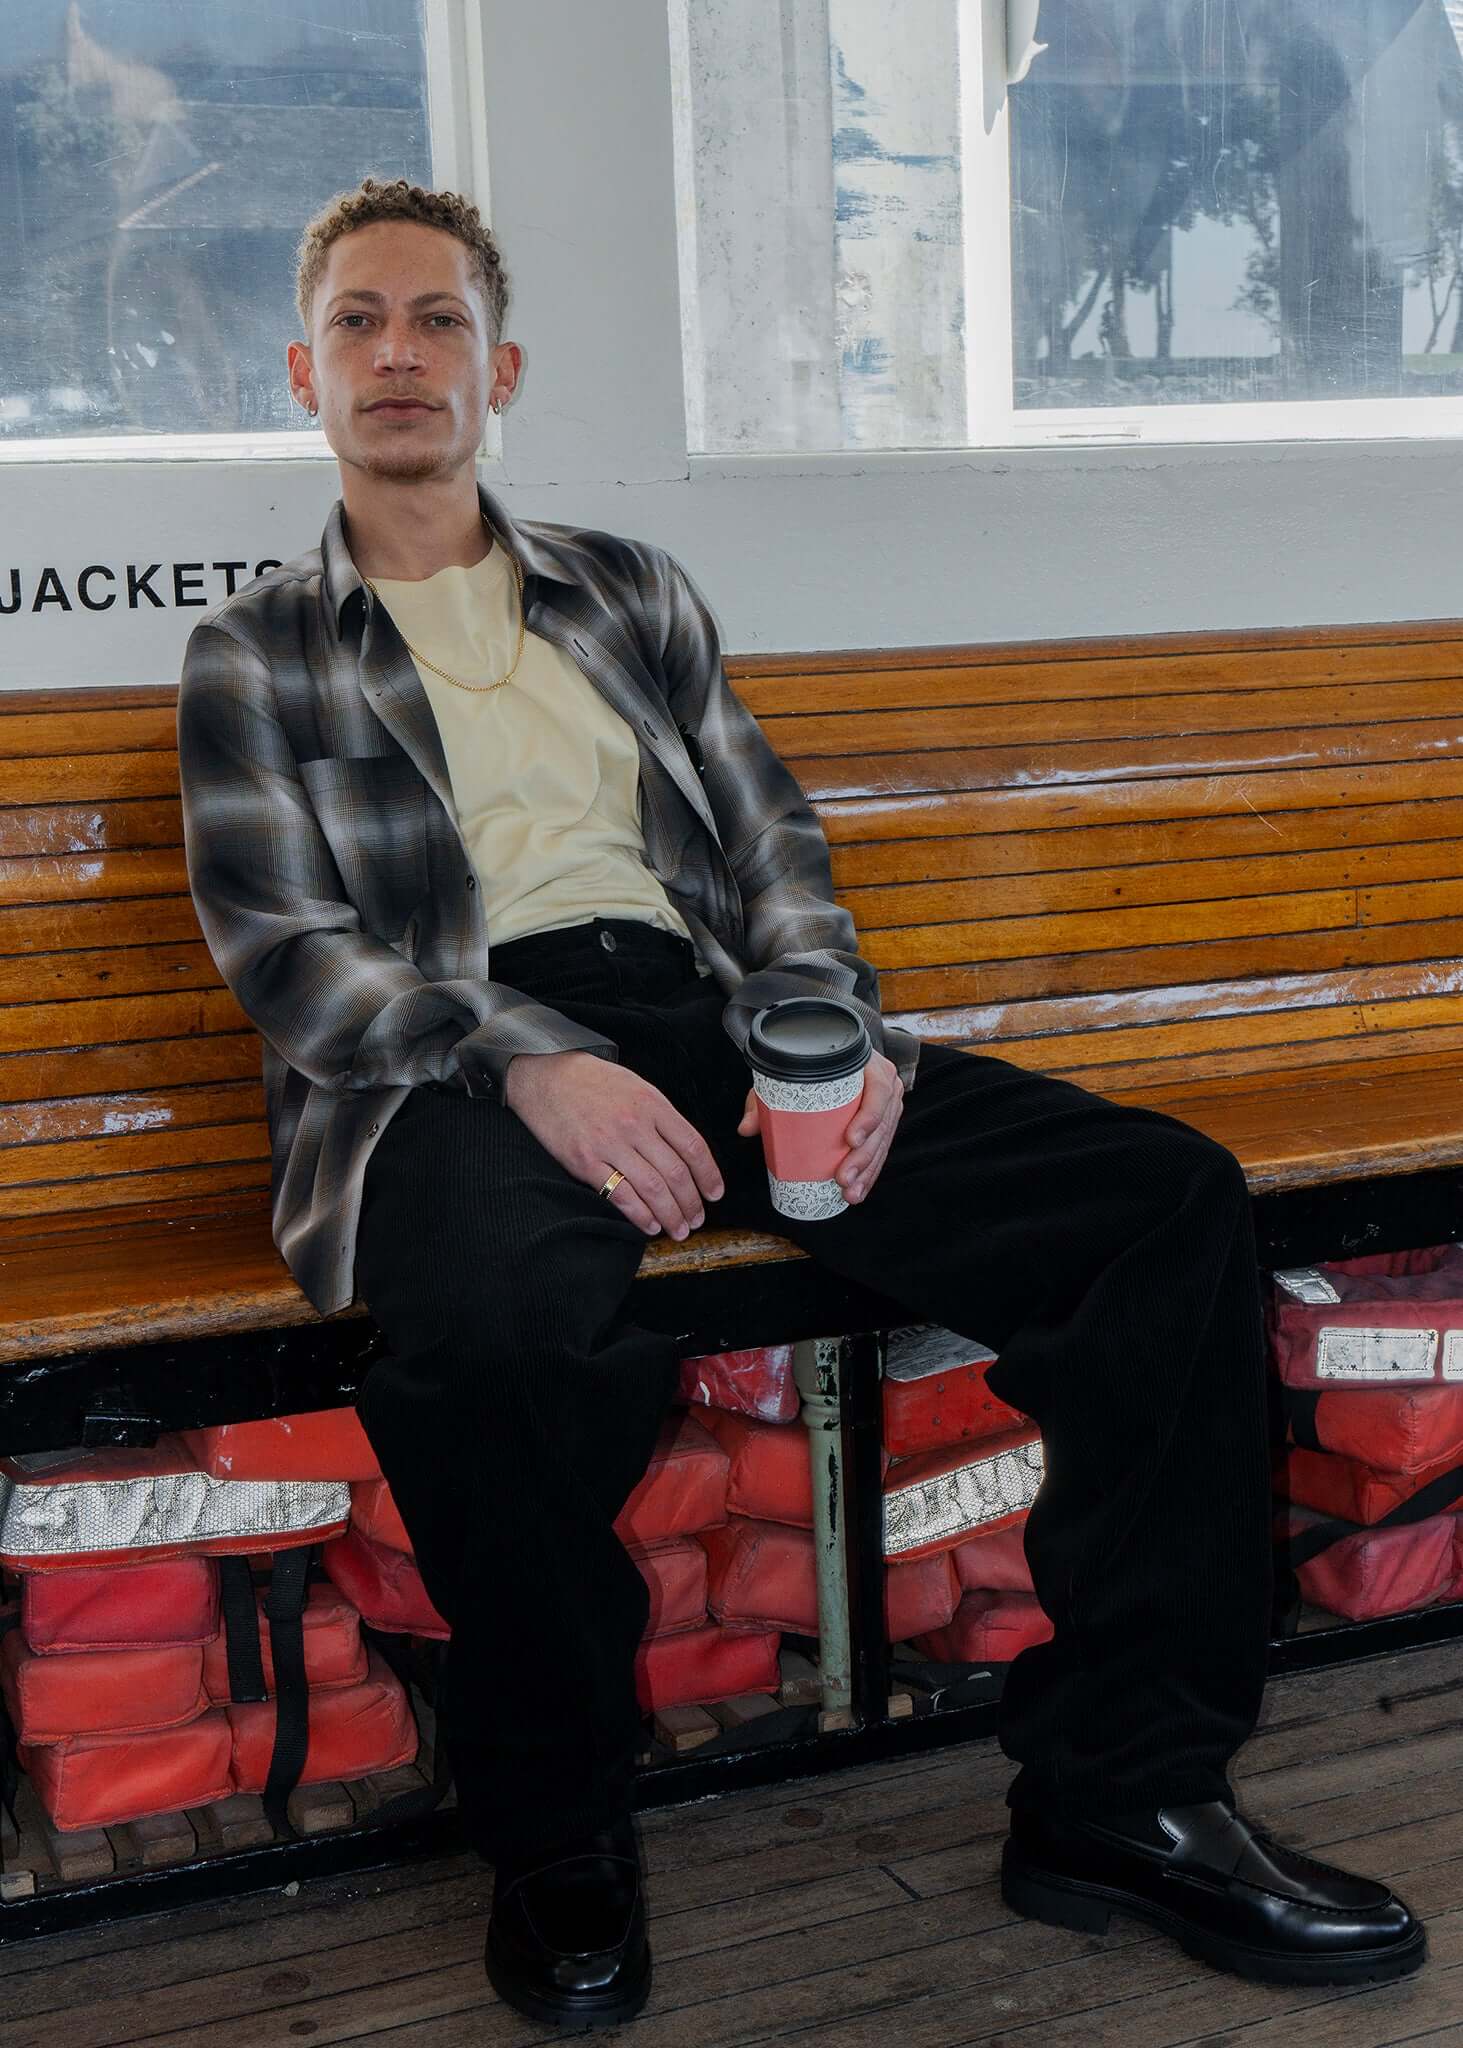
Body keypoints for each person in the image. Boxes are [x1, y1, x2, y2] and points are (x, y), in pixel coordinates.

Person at [176, 178, 1425, 2032]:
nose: (399, 354)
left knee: (1160, 1199)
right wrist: (535, 1064)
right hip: (447, 1065)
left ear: (498, 367)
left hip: (701, 1019)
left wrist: (816, 1046)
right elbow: (288, 952)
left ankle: (1125, 1794)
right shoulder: (255, 651)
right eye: (359, 321)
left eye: (436, 320)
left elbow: (772, 848)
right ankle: (561, 1832)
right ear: (306, 372)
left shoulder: (628, 591)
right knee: (500, 1336)